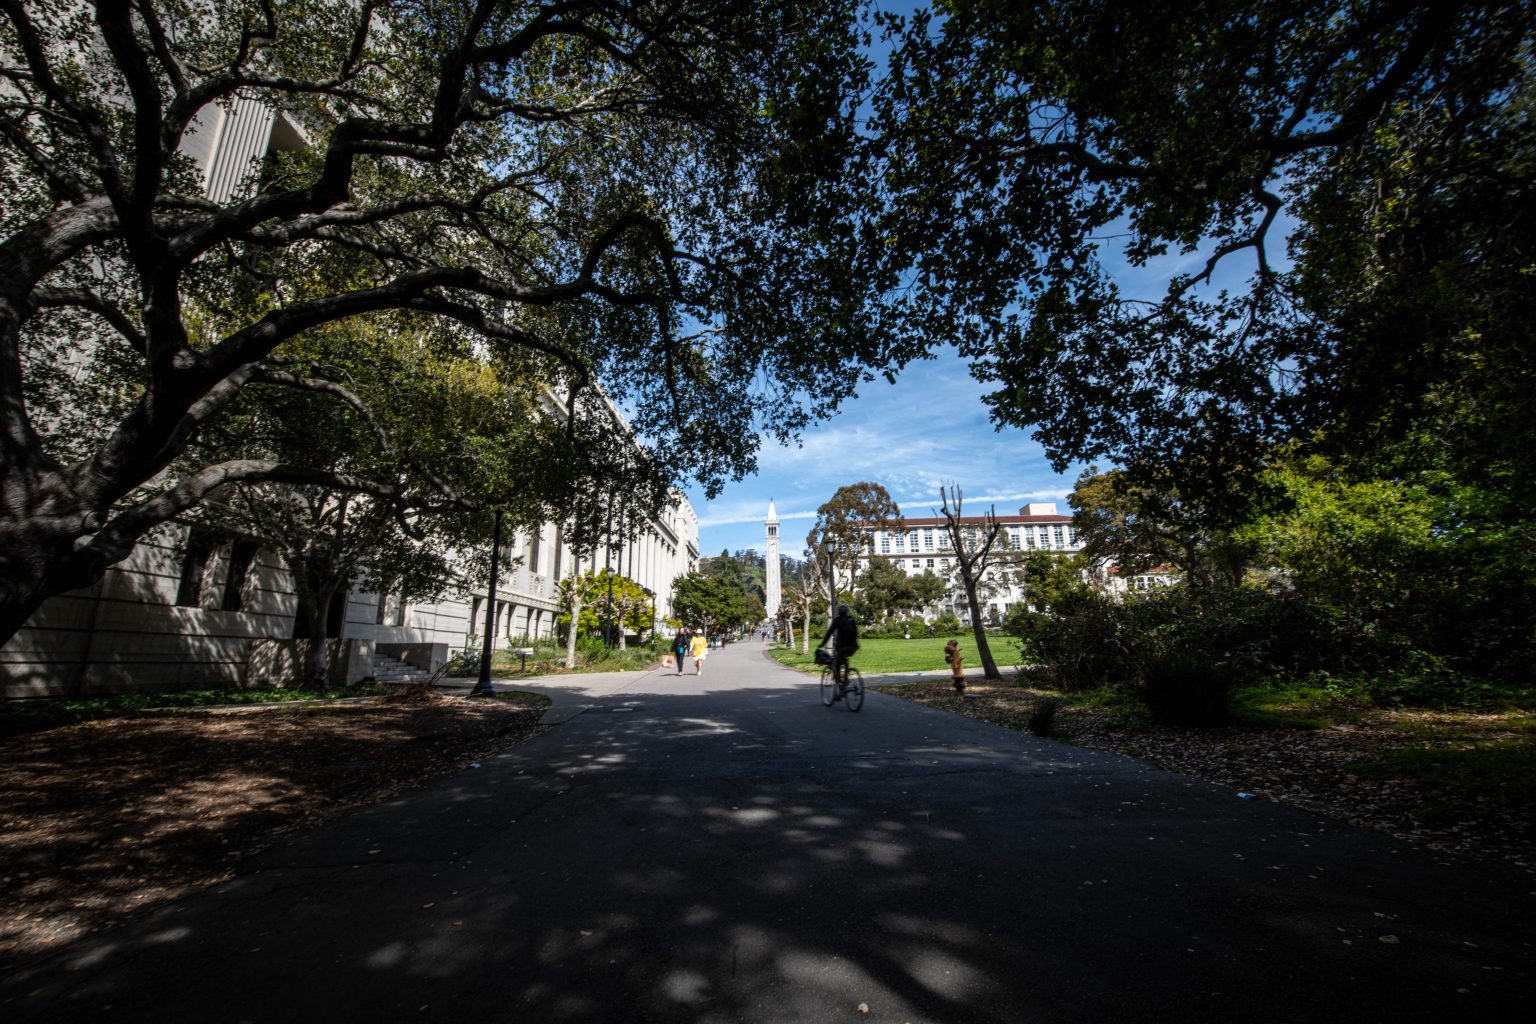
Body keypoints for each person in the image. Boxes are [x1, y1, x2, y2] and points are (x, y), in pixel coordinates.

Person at [818, 604, 860, 693]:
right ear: (847, 611)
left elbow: (829, 633)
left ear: (839, 611)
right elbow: (856, 632)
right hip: (853, 646)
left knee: (837, 664)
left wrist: (822, 644)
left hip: (842, 647)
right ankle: (846, 675)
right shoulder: (851, 619)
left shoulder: (837, 620)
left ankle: (840, 685)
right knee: (844, 659)